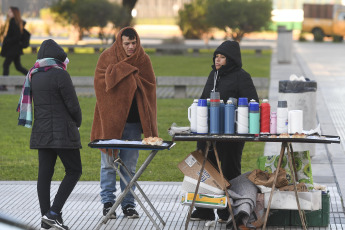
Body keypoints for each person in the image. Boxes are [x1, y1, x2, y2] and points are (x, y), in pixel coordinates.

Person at [91, 27, 158, 219]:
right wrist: (127, 72)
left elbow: (150, 85)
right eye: (127, 43)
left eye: (134, 43)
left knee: (129, 166)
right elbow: (101, 85)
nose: (131, 47)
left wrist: (128, 76)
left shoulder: (143, 59)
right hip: (109, 121)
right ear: (120, 43)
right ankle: (108, 203)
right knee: (108, 164)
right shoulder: (107, 57)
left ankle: (128, 204)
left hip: (134, 122)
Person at [190, 40, 259, 223]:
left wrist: (232, 108)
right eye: (216, 56)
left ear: (231, 59)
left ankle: (227, 211)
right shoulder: (213, 74)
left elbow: (253, 102)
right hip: (209, 132)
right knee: (205, 169)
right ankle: (204, 209)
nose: (218, 60)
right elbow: (204, 98)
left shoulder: (242, 76)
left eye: (222, 57)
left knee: (229, 170)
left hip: (232, 132)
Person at [17, 39, 82, 230]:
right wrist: (77, 122)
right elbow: (73, 106)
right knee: (74, 170)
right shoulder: (60, 74)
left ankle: (47, 218)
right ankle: (53, 213)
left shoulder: (34, 75)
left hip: (42, 131)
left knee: (44, 174)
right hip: (63, 132)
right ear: (57, 57)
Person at [1, 6, 28, 90]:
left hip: (13, 49)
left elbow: (16, 37)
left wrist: (7, 40)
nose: (8, 13)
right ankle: (33, 77)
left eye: (10, 12)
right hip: (15, 49)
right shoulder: (16, 22)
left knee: (6, 65)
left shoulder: (13, 22)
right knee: (18, 67)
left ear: (14, 13)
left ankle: (4, 85)